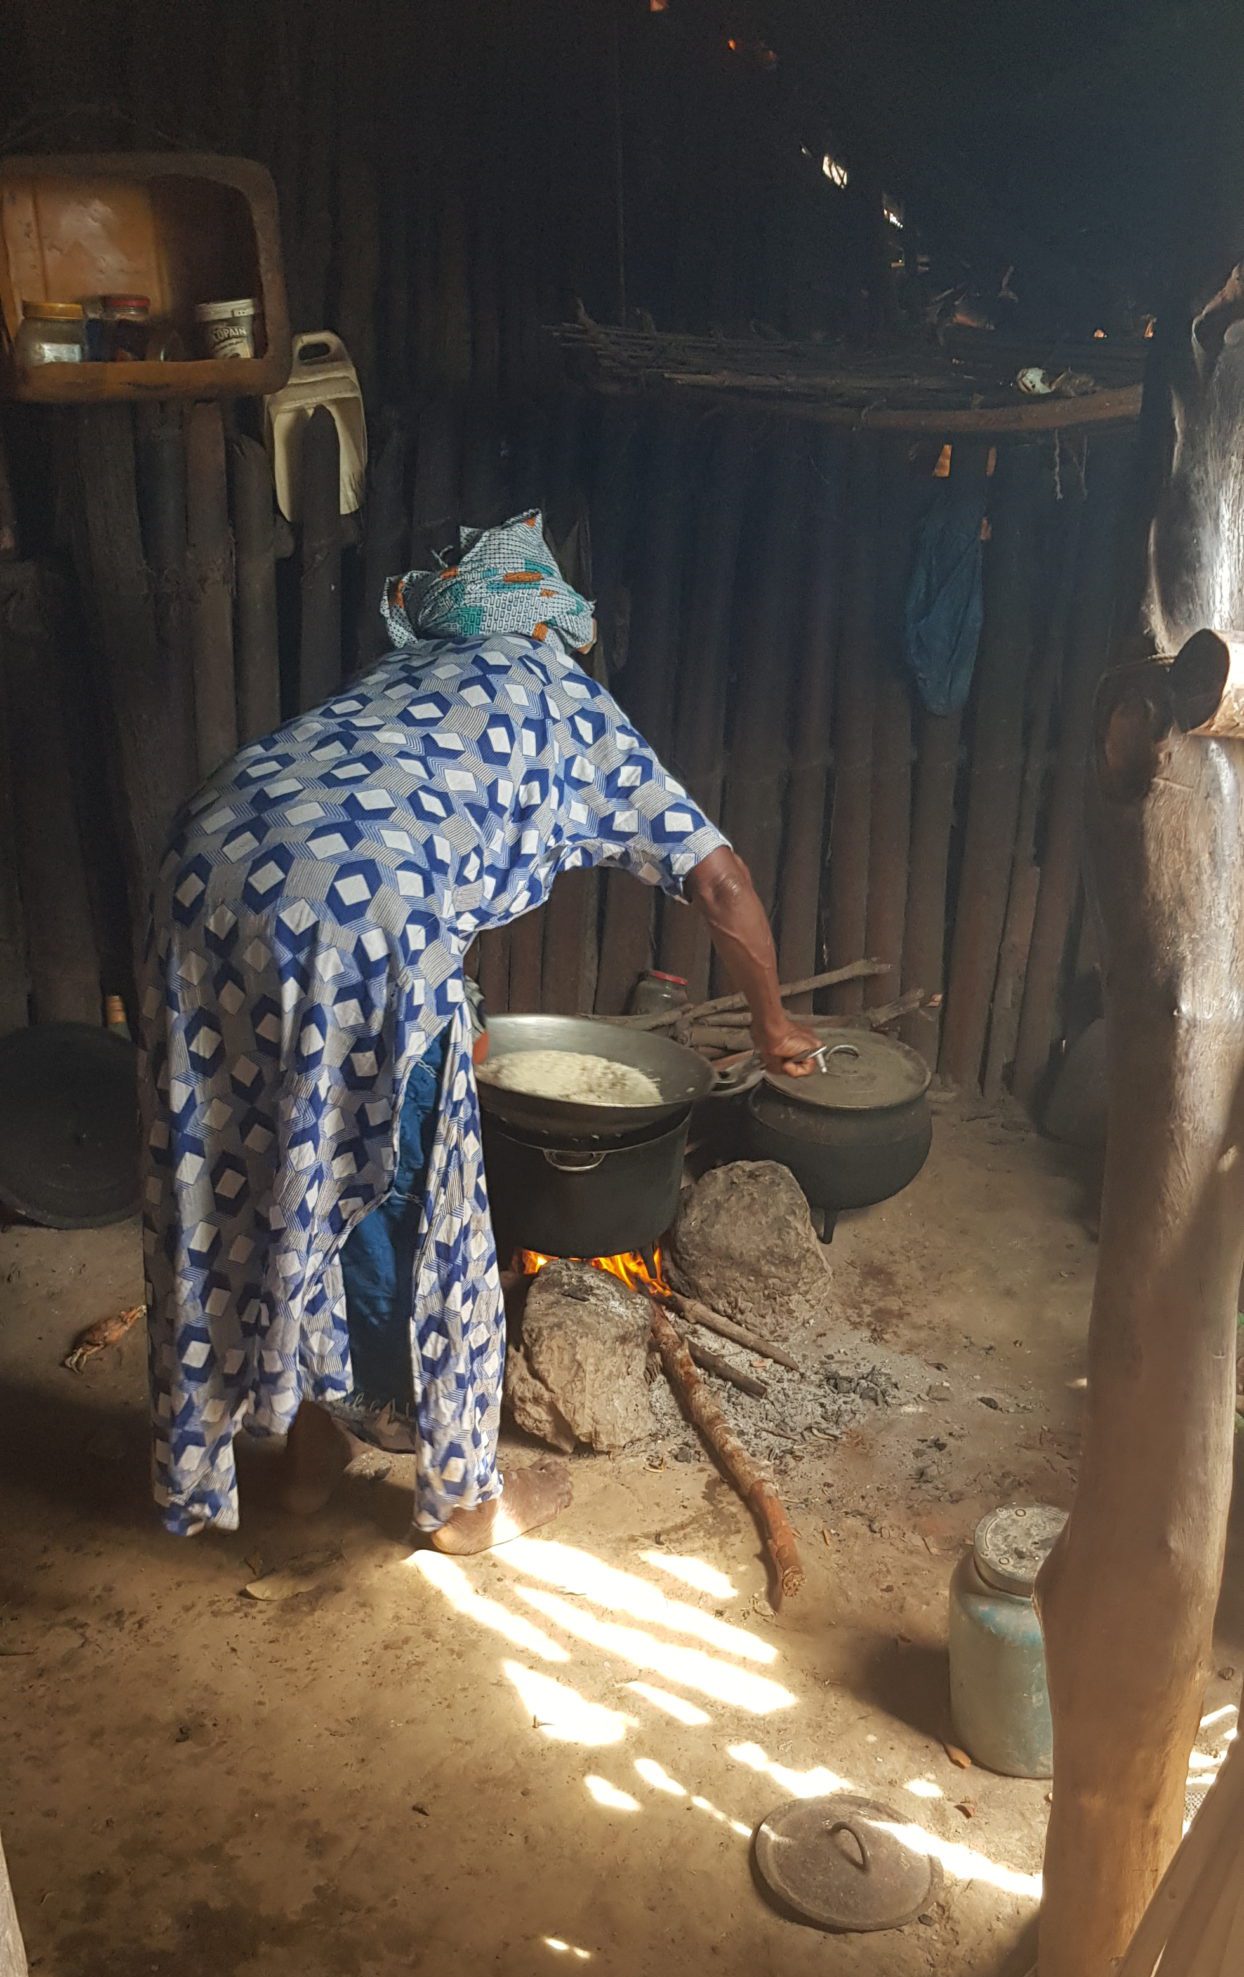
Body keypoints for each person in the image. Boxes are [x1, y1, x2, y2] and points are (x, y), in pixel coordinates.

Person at [141, 511, 821, 1550]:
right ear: (549, 630)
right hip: (350, 917)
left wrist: (450, 1012)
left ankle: (311, 1450)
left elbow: (387, 826)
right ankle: (462, 1497)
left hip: (201, 870)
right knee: (424, 1203)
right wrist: (771, 1024)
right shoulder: (563, 699)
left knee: (281, 1155)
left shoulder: (401, 683)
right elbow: (718, 879)